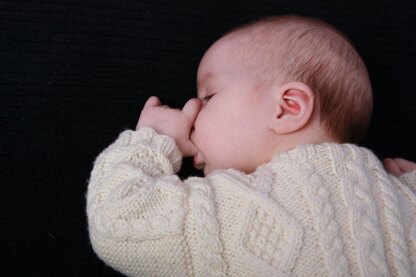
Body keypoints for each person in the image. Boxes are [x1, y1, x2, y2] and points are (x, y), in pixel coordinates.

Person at [87, 15, 416, 276]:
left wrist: (155, 139)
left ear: (288, 108)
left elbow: (118, 221)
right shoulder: (401, 197)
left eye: (209, 96)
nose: (191, 110)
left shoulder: (241, 209)